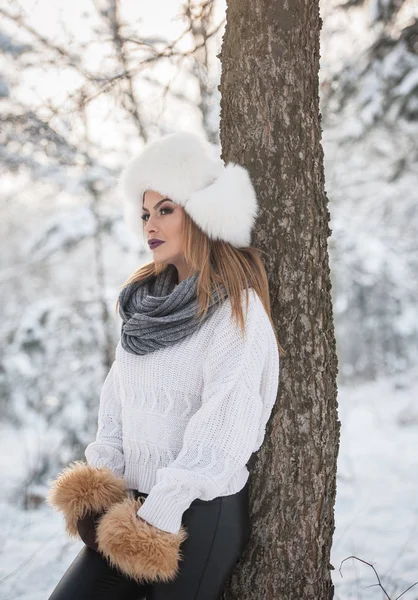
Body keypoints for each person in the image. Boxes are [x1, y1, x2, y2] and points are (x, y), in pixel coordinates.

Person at [46, 131, 283, 600]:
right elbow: (117, 405)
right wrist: (104, 487)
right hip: (127, 510)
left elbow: (225, 427)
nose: (150, 224)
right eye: (145, 213)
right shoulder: (143, 307)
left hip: (198, 512)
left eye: (165, 209)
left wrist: (163, 509)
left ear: (200, 214)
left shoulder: (236, 310)